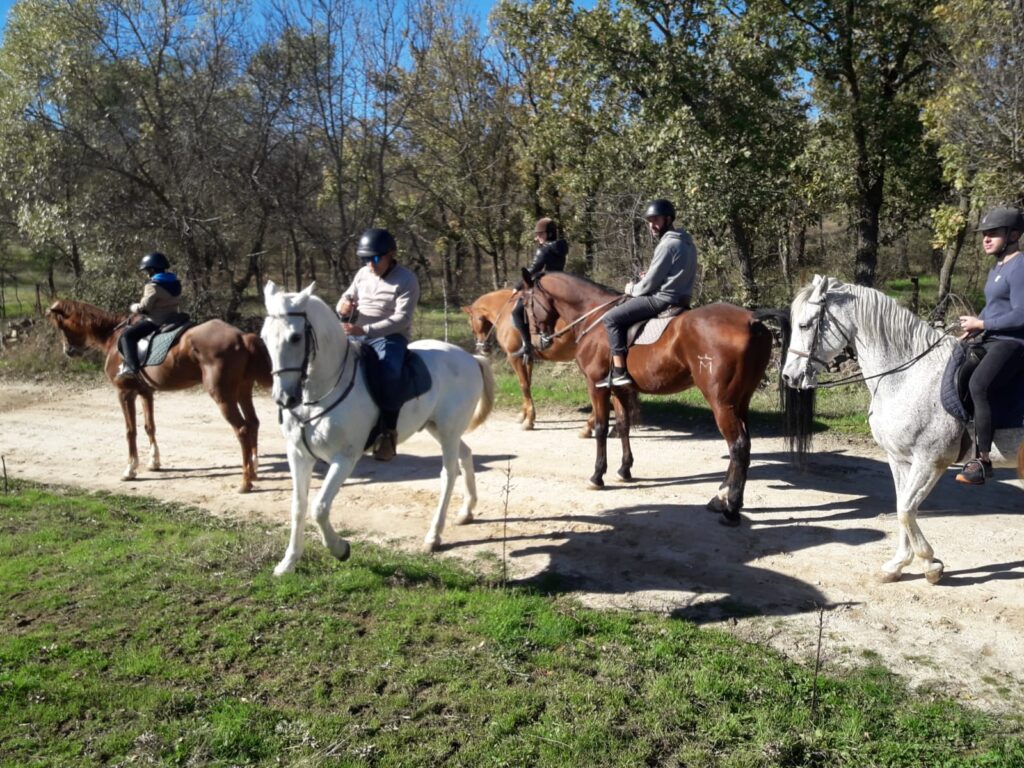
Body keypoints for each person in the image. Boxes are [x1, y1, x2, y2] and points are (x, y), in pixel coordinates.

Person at [336, 227, 420, 462]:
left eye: (374, 258)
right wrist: (343, 306)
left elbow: (401, 319)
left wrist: (364, 329)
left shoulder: (406, 279)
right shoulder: (362, 274)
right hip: (355, 331)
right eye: (364, 258)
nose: (370, 264)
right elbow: (346, 297)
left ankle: (387, 433)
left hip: (390, 337)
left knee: (390, 371)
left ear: (390, 254)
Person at [954, 205, 1024, 484]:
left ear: (1014, 234)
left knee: (979, 385)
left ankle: (981, 462)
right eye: (984, 234)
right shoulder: (997, 268)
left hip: (1014, 343)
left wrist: (981, 325)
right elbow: (994, 308)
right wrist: (972, 328)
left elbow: (1021, 313)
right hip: (992, 338)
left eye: (993, 234)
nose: (986, 238)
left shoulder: (1020, 267)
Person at [597, 199, 697, 388]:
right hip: (682, 300)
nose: (652, 225)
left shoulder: (667, 244)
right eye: (649, 220)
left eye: (656, 219)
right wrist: (649, 276)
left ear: (668, 219)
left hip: (661, 300)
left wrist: (631, 289)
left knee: (611, 318)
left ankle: (619, 372)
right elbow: (673, 274)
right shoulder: (687, 242)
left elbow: (647, 286)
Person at [116, 251, 183, 382]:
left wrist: (133, 307)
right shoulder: (175, 282)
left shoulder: (153, 286)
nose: (147, 274)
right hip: (174, 317)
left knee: (126, 336)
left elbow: (144, 308)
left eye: (147, 271)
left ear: (152, 270)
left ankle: (131, 368)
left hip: (157, 321)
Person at [511, 217, 568, 359]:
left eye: (540, 234)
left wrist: (517, 286)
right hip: (559, 283)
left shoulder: (544, 250)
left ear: (549, 234)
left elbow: (532, 270)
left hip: (545, 285)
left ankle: (527, 345)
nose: (537, 238)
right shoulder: (561, 247)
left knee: (517, 311)